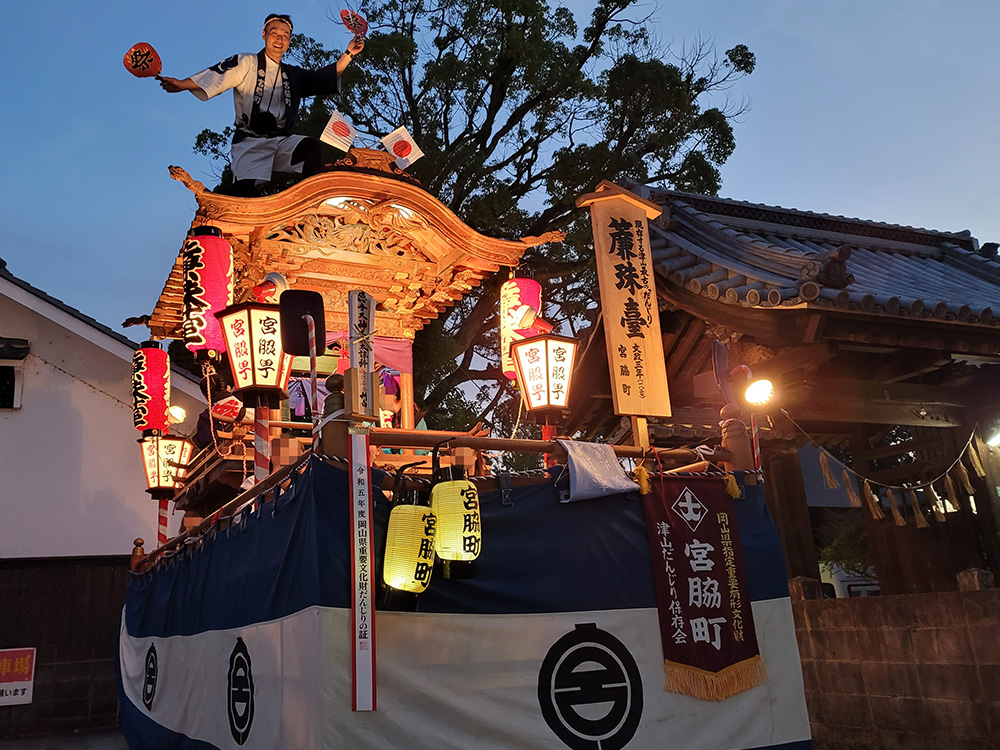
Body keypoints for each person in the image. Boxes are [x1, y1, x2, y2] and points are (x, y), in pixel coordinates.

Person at [159, 13, 363, 196]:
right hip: (250, 141)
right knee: (243, 196)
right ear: (264, 34)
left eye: (285, 35)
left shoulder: (292, 75)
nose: (279, 39)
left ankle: (310, 202)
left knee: (311, 147)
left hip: (282, 140)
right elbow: (216, 76)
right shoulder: (246, 62)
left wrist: (349, 53)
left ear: (289, 41)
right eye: (274, 33)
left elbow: (321, 78)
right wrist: (182, 84)